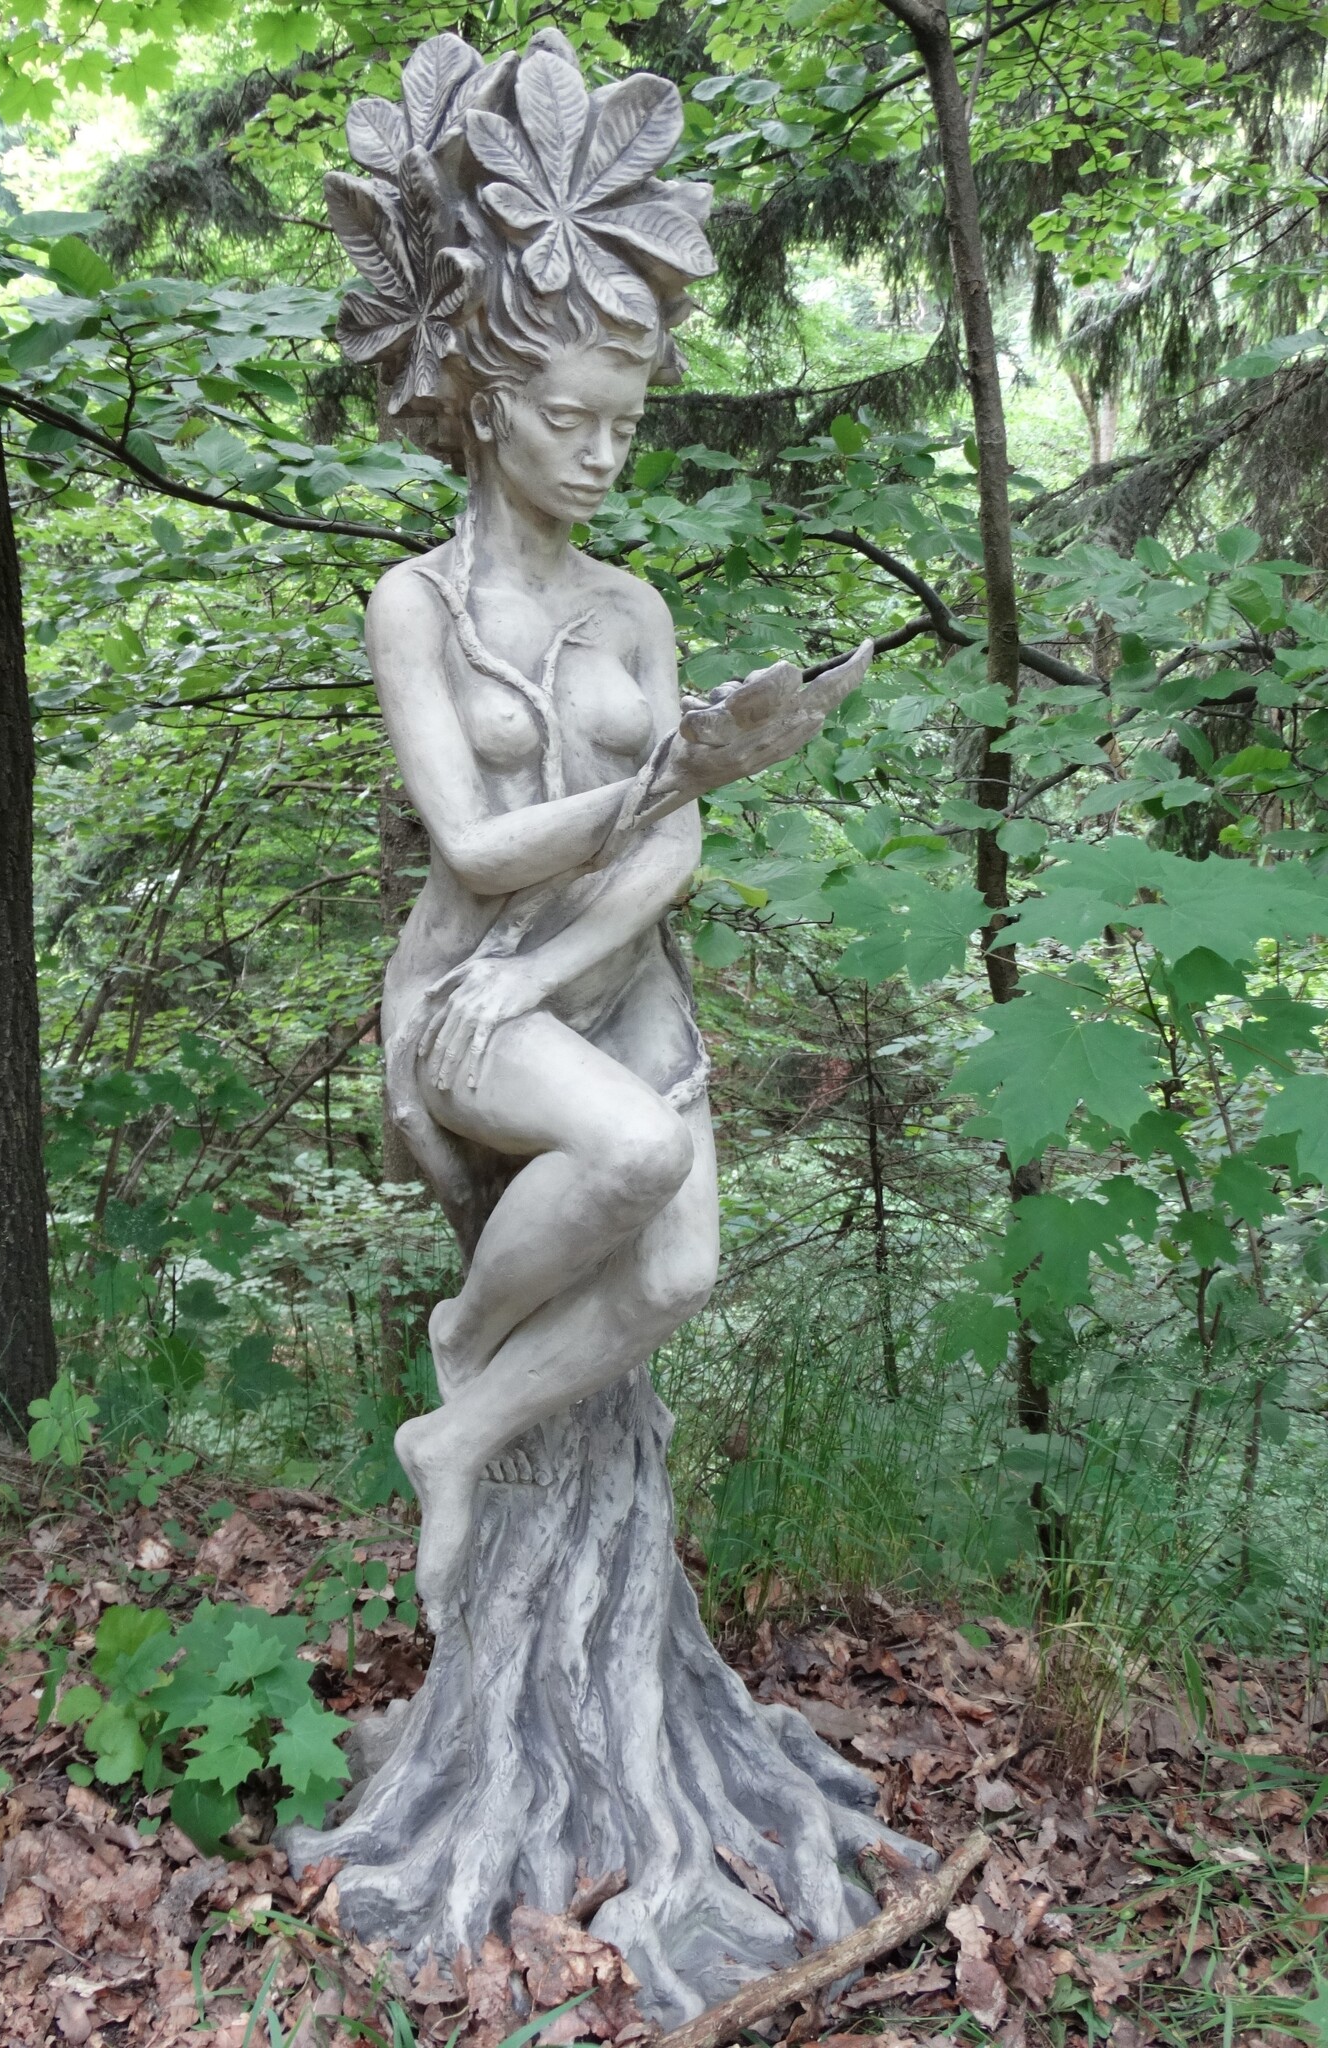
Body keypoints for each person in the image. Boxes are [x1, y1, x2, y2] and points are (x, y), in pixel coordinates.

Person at [326, 28, 871, 1627]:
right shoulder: (417, 605)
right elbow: (476, 850)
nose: (604, 451)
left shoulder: (633, 606)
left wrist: (647, 843)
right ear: (490, 408)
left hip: (614, 980)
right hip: (473, 987)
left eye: (624, 423)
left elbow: (673, 852)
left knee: (681, 1269)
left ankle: (456, 1428)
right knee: (633, 1153)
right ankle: (470, 1337)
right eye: (572, 417)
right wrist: (660, 787)